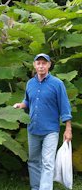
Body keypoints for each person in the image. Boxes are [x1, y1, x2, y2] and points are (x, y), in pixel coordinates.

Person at [13, 53, 72, 190]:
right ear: (34, 65)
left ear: (49, 65)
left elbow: (65, 107)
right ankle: (35, 188)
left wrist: (68, 129)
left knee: (47, 162)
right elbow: (27, 100)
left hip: (50, 130)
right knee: (33, 161)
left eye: (44, 63)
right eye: (38, 63)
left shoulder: (57, 84)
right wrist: (21, 105)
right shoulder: (30, 83)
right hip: (32, 128)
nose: (41, 66)